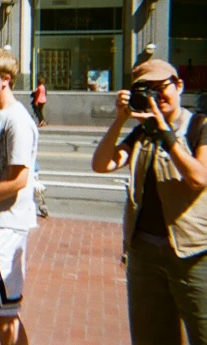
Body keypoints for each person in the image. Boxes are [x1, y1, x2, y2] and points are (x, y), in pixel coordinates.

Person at [91, 59, 207, 345]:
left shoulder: (199, 126)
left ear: (179, 86)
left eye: (161, 88)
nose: (156, 97)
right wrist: (120, 118)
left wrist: (167, 135)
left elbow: (198, 178)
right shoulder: (142, 131)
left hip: (193, 255)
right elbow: (102, 163)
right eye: (147, 91)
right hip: (144, 254)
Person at [0, 49, 39, 345]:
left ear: (6, 79)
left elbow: (18, 178)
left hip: (6, 224)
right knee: (3, 309)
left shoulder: (17, 120)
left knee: (5, 313)